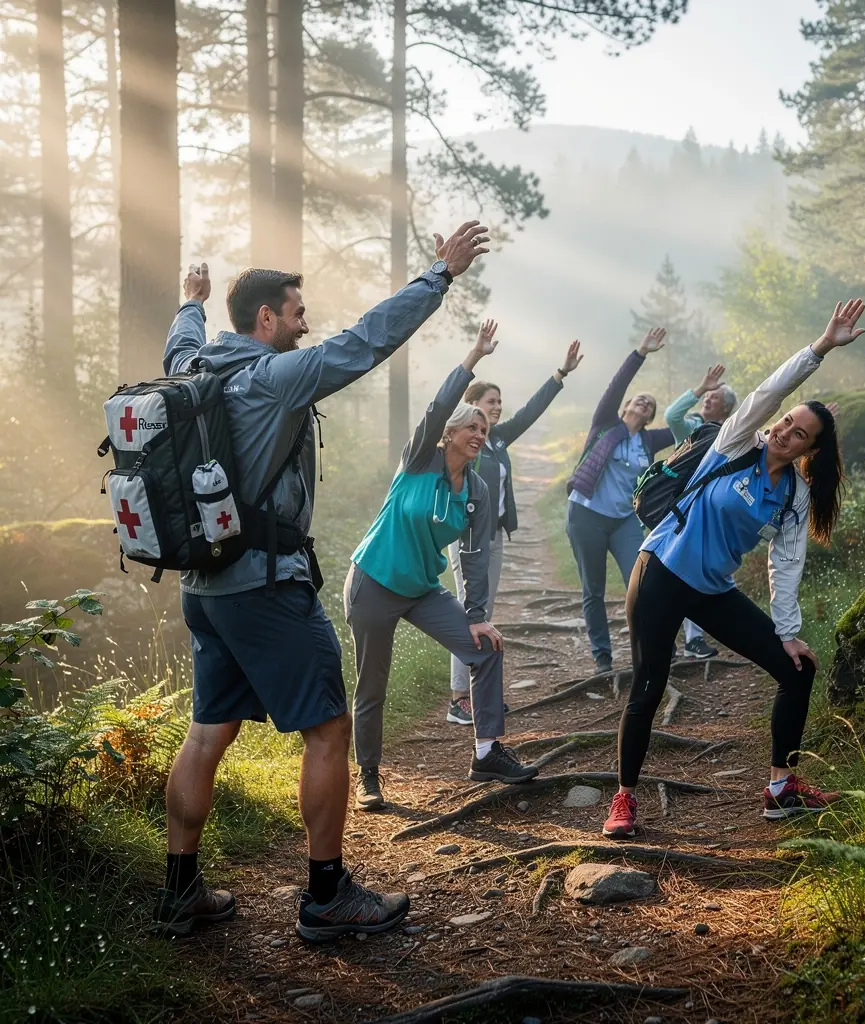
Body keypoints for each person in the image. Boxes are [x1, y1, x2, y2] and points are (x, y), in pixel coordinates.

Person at [154, 220, 490, 942]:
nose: (307, 327)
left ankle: (179, 892)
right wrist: (440, 276)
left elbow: (181, 335)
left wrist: (192, 298)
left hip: (204, 588)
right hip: (265, 588)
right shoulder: (272, 378)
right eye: (297, 314)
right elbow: (363, 343)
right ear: (266, 319)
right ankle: (326, 895)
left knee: (207, 732)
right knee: (329, 730)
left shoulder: (194, 366)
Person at [602, 299, 865, 839]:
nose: (785, 432)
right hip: (659, 572)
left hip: (710, 590)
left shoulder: (792, 494)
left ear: (809, 450)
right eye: (787, 422)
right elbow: (771, 388)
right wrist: (821, 346)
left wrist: (787, 634)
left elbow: (785, 565)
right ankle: (624, 798)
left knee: (798, 670)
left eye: (798, 434)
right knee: (649, 685)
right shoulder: (736, 443)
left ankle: (779, 789)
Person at [347, 320, 539, 811]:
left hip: (419, 589)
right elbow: (435, 406)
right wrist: (472, 357)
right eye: (471, 427)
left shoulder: (476, 490)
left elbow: (474, 559)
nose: (480, 433)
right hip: (373, 581)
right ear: (449, 434)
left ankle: (486, 752)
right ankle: (368, 775)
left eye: (485, 429)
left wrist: (477, 614)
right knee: (373, 683)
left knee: (486, 647)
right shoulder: (417, 461)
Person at [445, 331, 585, 725]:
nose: (499, 408)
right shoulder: (462, 442)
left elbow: (531, 412)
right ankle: (460, 699)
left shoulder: (497, 440)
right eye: (491, 402)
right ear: (471, 405)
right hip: (467, 538)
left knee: (482, 612)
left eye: (500, 402)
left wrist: (560, 375)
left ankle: (476, 695)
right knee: (468, 614)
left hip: (493, 537)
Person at [565, 328, 676, 674]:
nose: (643, 402)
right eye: (638, 399)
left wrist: (703, 396)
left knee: (642, 582)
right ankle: (602, 657)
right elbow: (616, 386)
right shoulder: (604, 424)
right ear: (628, 406)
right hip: (586, 514)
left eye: (650, 404)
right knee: (593, 589)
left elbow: (686, 427)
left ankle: (656, 647)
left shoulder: (648, 441)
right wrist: (640, 353)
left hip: (625, 520)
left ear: (650, 416)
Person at [663, 363, 739, 661]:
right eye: (708, 396)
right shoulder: (690, 428)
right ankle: (669, 638)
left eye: (715, 397)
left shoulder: (730, 435)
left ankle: (693, 639)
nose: (709, 399)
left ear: (727, 408)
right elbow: (671, 415)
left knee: (694, 573)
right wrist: (700, 388)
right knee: (672, 571)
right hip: (679, 510)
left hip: (709, 513)